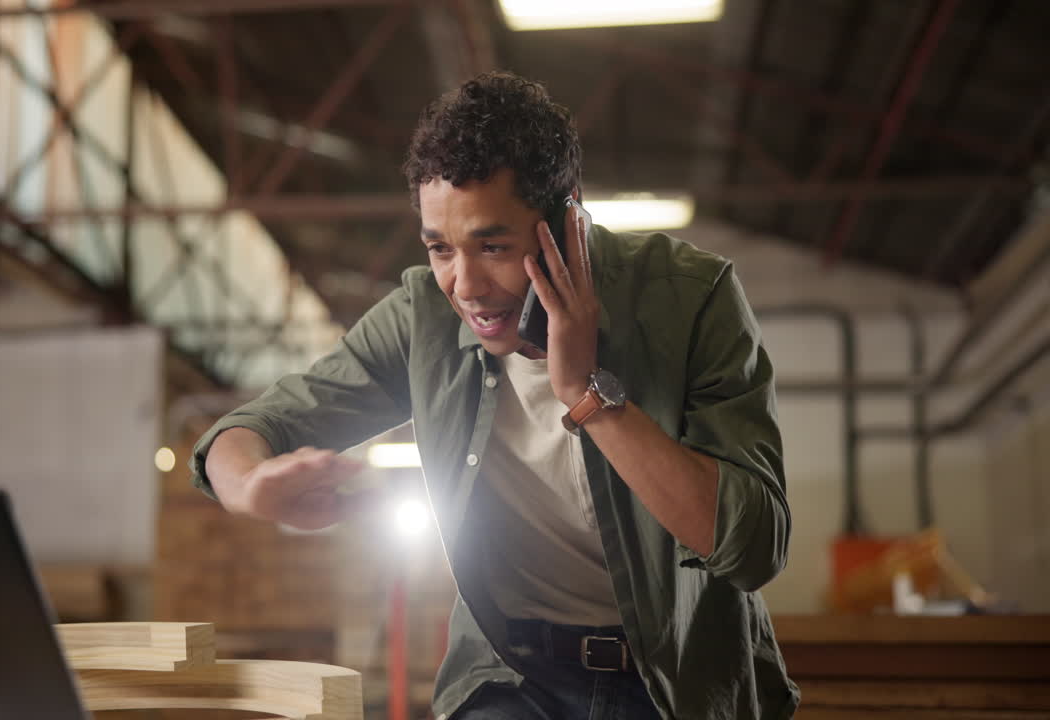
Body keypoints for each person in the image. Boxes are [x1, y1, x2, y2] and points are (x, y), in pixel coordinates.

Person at [190, 71, 799, 720]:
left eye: (494, 245)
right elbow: (247, 430)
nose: (466, 285)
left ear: (569, 221)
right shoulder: (424, 316)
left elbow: (754, 546)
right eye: (440, 249)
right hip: (512, 678)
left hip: (676, 683)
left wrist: (587, 394)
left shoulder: (692, 300)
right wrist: (248, 485)